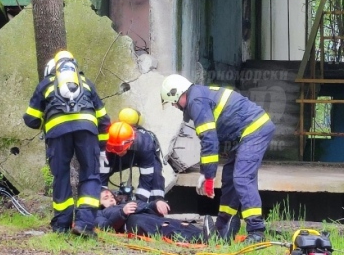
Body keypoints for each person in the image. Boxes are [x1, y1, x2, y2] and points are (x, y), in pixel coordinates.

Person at [160, 75, 274, 244]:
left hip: (255, 129)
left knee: (242, 178)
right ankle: (223, 227)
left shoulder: (195, 101)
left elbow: (209, 140)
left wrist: (208, 176)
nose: (174, 106)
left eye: (173, 102)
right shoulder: (196, 96)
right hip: (250, 131)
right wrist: (205, 172)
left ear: (177, 94)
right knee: (229, 176)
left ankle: (256, 232)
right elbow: (208, 140)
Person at [23, 50, 110, 238]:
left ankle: (61, 225)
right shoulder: (86, 84)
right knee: (90, 175)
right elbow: (104, 120)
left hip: (57, 133)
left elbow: (30, 119)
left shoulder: (46, 84)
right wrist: (101, 147)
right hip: (87, 132)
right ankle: (84, 224)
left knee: (61, 176)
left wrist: (46, 121)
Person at [95, 187, 213, 244]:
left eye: (111, 196)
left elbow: (144, 205)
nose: (111, 199)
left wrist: (156, 204)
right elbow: (106, 227)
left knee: (175, 223)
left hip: (147, 216)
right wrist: (122, 213)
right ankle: (199, 239)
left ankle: (209, 234)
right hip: (132, 221)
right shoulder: (99, 213)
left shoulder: (125, 203)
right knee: (164, 229)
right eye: (106, 198)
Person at [102, 119, 170, 215]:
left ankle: (157, 207)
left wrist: (138, 204)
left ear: (130, 142)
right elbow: (101, 176)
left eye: (119, 149)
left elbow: (146, 179)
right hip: (114, 153)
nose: (118, 151)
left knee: (155, 174)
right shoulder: (107, 142)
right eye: (115, 148)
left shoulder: (145, 144)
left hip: (140, 152)